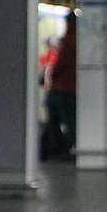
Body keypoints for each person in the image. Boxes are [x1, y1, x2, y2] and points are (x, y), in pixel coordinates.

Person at [41, 12, 77, 161]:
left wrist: (51, 77)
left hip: (63, 88)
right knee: (70, 120)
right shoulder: (80, 40)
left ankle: (55, 149)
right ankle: (65, 148)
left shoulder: (68, 40)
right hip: (74, 89)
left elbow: (60, 64)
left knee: (58, 119)